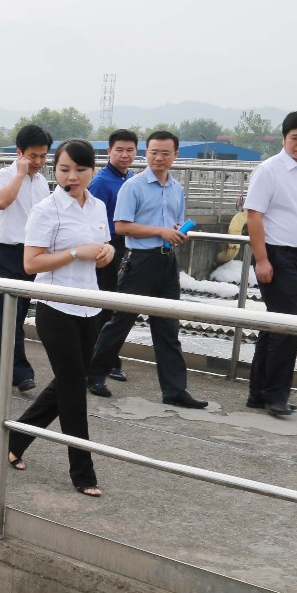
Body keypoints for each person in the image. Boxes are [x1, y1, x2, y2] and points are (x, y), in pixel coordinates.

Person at [5, 139, 114, 497]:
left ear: (92, 171)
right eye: (64, 169)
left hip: (90, 306)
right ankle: (83, 471)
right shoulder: (46, 209)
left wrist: (108, 252)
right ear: (56, 170)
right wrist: (74, 252)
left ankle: (15, 438)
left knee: (69, 381)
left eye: (80, 170)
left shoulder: (97, 206)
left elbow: (103, 245)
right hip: (55, 306)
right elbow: (31, 263)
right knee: (73, 390)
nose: (72, 177)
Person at [87, 131, 207, 408]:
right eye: (153, 152)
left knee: (168, 327)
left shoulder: (176, 188)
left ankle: (175, 390)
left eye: (165, 153)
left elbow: (175, 224)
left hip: (168, 261)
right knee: (121, 321)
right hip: (140, 261)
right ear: (146, 153)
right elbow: (121, 226)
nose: (158, 158)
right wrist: (160, 231)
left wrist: (178, 232)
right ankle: (94, 374)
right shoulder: (134, 186)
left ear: (176, 155)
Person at [244, 111, 297, 418]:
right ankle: (277, 395)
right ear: (284, 138)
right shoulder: (269, 170)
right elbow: (254, 216)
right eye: (295, 138)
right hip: (276, 255)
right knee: (290, 325)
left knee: (276, 325)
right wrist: (262, 260)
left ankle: (258, 393)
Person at [0, 124, 52, 392]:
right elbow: (1, 202)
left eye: (43, 156)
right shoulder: (1, 177)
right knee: (10, 315)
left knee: (14, 315)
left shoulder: (42, 182)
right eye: (33, 156)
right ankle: (21, 372)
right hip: (5, 254)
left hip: (32, 255)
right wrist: (20, 175)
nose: (39, 162)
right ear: (20, 153)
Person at [89, 129, 139, 383]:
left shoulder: (130, 178)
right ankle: (105, 361)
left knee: (118, 305)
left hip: (126, 245)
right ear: (109, 151)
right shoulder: (101, 182)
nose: (125, 155)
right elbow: (91, 218)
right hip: (107, 246)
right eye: (119, 150)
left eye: (130, 150)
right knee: (106, 305)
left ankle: (106, 358)